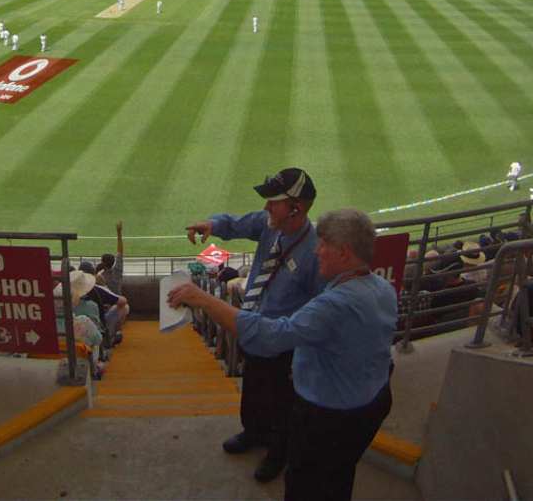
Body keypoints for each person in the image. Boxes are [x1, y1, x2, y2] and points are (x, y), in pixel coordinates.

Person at [169, 208, 395, 501]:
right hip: (371, 402)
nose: (317, 250)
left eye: (325, 245)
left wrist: (203, 299)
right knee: (338, 475)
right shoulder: (382, 288)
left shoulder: (335, 305)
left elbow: (270, 337)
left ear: (345, 253)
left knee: (304, 484)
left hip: (330, 418)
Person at [183, 167, 323, 483]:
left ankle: (278, 451)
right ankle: (254, 432)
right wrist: (212, 224)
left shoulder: (315, 252)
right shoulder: (270, 225)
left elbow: (319, 306)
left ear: (296, 208)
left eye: (273, 202)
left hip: (283, 343)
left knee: (282, 400)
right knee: (254, 387)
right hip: (252, 328)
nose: (265, 208)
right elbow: (237, 223)